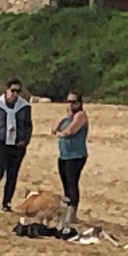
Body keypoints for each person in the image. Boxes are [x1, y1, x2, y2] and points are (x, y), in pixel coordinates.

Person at [0, 79, 32, 213]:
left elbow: (28, 126)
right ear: (7, 90)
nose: (15, 94)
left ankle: (6, 203)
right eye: (13, 90)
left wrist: (24, 141)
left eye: (18, 91)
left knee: (12, 174)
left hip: (17, 146)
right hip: (1, 144)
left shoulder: (24, 106)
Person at [54, 91, 89, 225]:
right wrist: (63, 118)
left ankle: (72, 214)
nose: (70, 104)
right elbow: (54, 129)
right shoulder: (68, 118)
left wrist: (61, 133)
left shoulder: (81, 116)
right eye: (68, 101)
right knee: (65, 185)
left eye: (73, 102)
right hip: (64, 155)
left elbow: (70, 131)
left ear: (79, 103)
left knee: (72, 183)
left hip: (76, 155)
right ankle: (67, 211)